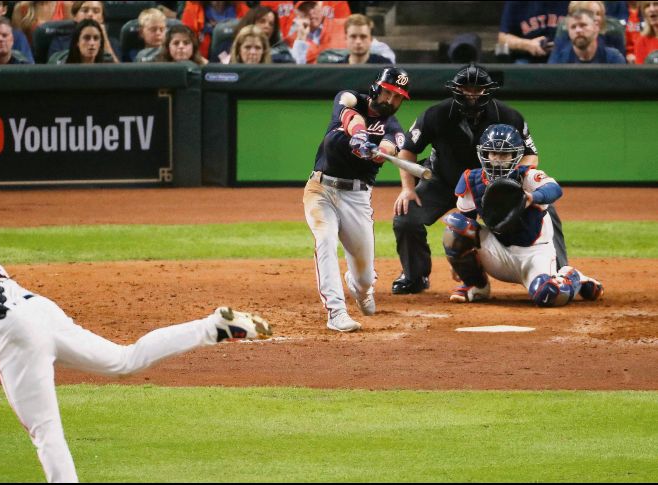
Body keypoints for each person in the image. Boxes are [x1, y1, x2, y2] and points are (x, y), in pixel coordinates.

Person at [0, 211, 272, 483]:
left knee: (46, 431)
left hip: (13, 331)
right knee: (124, 360)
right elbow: (23, 327)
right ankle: (212, 327)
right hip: (42, 311)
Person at [390, 63, 568, 295]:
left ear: (488, 90)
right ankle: (415, 276)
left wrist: (510, 184)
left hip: (490, 184)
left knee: (545, 208)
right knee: (405, 217)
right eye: (466, 88)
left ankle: (559, 272)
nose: (471, 94)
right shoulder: (436, 114)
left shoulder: (508, 115)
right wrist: (407, 188)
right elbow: (407, 150)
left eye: (477, 89)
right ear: (455, 89)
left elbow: (530, 155)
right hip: (441, 181)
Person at [441, 123, 604, 307]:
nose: (498, 160)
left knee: (549, 295)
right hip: (498, 251)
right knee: (456, 227)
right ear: (484, 154)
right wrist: (458, 263)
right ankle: (476, 286)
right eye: (493, 153)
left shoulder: (528, 176)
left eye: (505, 155)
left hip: (534, 255)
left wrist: (531, 197)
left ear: (516, 156)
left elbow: (554, 189)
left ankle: (571, 276)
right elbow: (466, 221)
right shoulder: (472, 180)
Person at [304, 67, 411, 332]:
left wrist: (377, 152)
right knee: (325, 240)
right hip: (321, 189)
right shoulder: (350, 98)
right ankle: (336, 312)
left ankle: (360, 288)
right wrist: (360, 136)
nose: (391, 101)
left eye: (398, 97)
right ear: (377, 88)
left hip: (357, 197)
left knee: (364, 278)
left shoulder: (393, 128)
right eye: (388, 93)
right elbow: (350, 116)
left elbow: (390, 146)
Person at [211, 5, 295, 63]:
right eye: (262, 21)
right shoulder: (226, 46)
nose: (267, 26)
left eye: (271, 24)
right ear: (251, 22)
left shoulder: (280, 49)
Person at [46, 1, 119, 63]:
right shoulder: (59, 42)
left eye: (96, 11)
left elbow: (118, 72)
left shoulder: (113, 43)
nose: (90, 14)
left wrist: (104, 39)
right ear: (75, 16)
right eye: (85, 10)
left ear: (102, 18)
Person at [498, 1, 569, 63]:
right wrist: (528, 44)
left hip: (564, 56)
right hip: (528, 57)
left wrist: (561, 45)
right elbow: (503, 38)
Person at [550, 1, 628, 58]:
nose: (597, 18)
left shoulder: (614, 31)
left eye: (598, 14)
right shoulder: (564, 52)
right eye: (591, 14)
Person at [180, 1, 250, 59]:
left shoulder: (240, 7)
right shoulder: (193, 8)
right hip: (203, 61)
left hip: (234, 59)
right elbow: (186, 40)